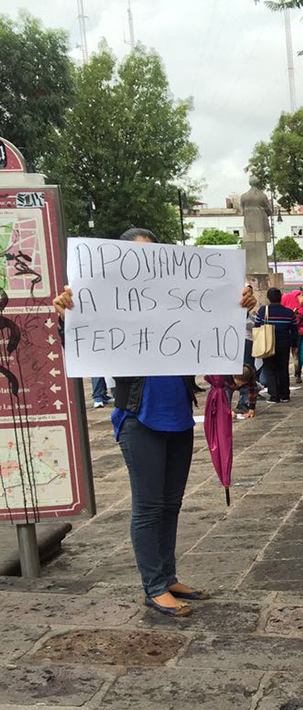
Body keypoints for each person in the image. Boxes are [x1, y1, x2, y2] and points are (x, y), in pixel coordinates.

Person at [53, 227, 258, 617]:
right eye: (136, 255)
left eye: (151, 253)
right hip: (139, 419)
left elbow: (212, 332)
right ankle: (154, 586)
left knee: (171, 504)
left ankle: (168, 576)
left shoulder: (176, 301)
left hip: (179, 417)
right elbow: (84, 344)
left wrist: (238, 308)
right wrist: (68, 317)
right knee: (149, 506)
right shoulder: (108, 301)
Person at [255, 287, 298, 402]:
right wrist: (294, 345)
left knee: (270, 369)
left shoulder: (263, 311)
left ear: (268, 298)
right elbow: (294, 330)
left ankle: (274, 396)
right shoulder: (289, 313)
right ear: (281, 297)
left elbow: (257, 326)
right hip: (284, 344)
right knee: (283, 369)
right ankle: (285, 395)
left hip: (268, 343)